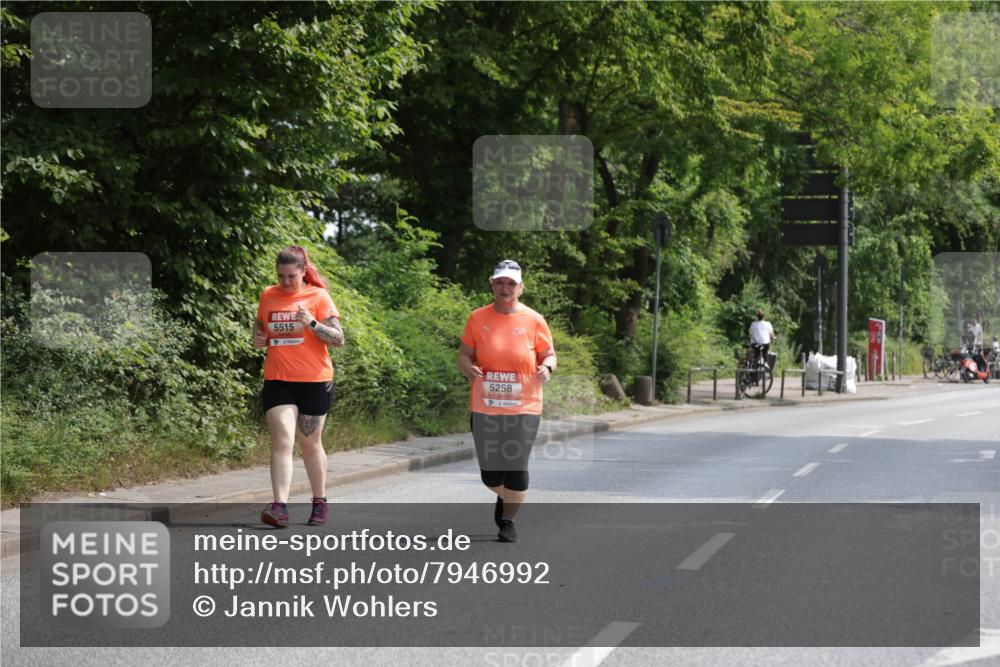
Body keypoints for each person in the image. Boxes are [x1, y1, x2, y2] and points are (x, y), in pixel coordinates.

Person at [457, 260, 556, 543]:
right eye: (500, 282)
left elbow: (549, 354)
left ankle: (509, 520)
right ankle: (513, 496)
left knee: (515, 463)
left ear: (521, 288)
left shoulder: (534, 320)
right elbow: (464, 353)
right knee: (490, 474)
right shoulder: (477, 318)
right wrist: (467, 367)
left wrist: (546, 368)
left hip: (524, 405)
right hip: (484, 404)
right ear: (492, 284)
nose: (505, 288)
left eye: (511, 283)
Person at [253, 246, 344, 527]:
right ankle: (279, 506)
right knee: (282, 438)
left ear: (303, 271)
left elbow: (339, 339)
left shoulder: (319, 296)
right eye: (281, 276)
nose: (285, 282)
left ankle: (319, 502)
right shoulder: (269, 295)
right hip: (278, 379)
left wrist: (312, 322)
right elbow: (260, 326)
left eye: (291, 276)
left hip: (314, 381)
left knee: (309, 443)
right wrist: (258, 337)